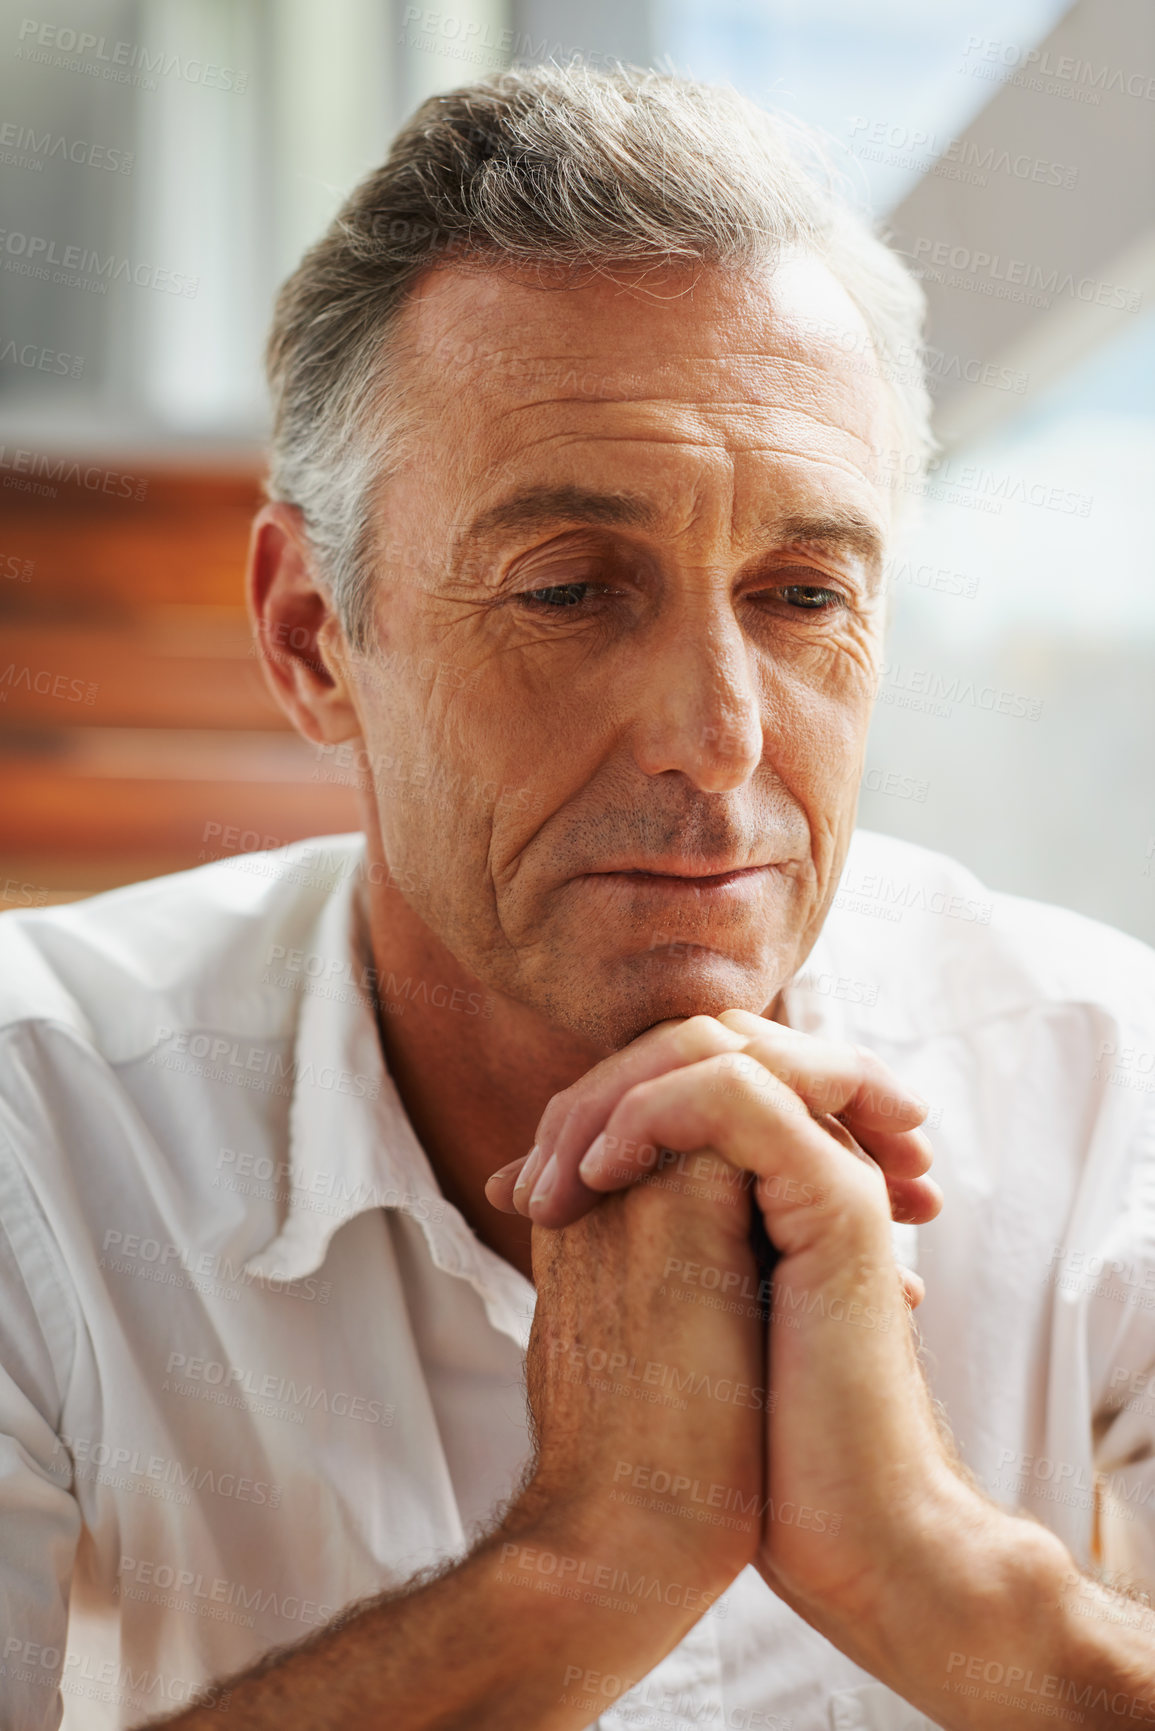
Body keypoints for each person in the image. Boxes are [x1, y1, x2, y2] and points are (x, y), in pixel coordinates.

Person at [1, 62, 1153, 1731]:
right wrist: (583, 1569)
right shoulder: (39, 1117)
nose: (717, 737)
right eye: (570, 588)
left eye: (803, 593)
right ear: (315, 638)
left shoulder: (1100, 1074)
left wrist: (939, 1571)